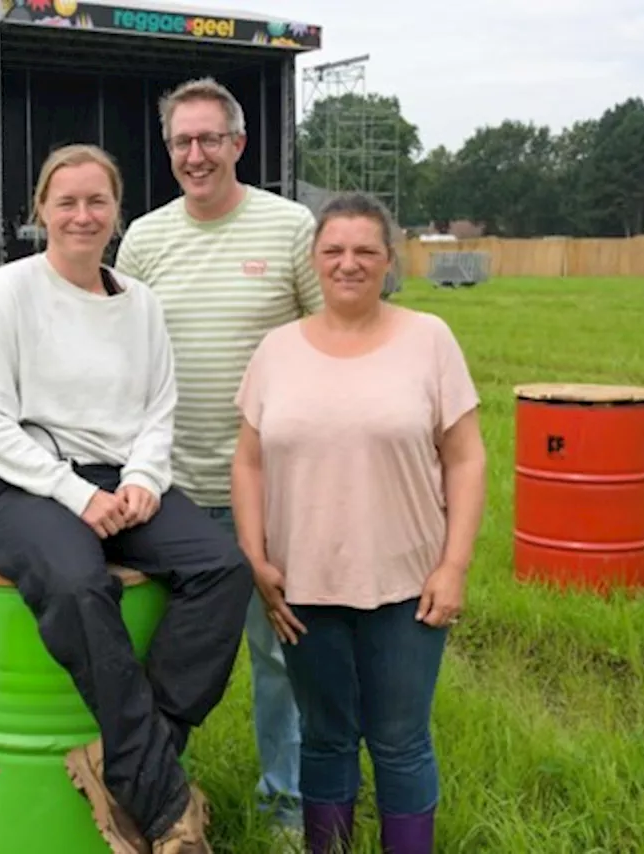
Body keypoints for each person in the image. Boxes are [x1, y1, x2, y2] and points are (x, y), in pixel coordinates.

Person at [0, 143, 253, 854]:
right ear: (41, 211)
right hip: (20, 483)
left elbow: (160, 406)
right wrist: (72, 494)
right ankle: (163, 805)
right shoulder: (8, 290)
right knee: (78, 582)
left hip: (121, 481)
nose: (82, 215)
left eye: (97, 201)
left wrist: (144, 480)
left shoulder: (140, 304)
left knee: (224, 569)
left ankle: (127, 754)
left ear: (116, 211)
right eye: (67, 202)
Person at [230, 192, 487, 854]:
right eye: (334, 250)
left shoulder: (429, 340)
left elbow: (465, 458)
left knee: (401, 740)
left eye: (365, 251)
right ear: (314, 260)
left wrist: (453, 566)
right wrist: (255, 558)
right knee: (326, 736)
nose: (349, 263)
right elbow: (249, 462)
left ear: (388, 261)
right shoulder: (277, 349)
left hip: (407, 584)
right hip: (303, 586)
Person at [113, 76, 320, 842]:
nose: (195, 154)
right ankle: (159, 804)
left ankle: (286, 811)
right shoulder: (144, 239)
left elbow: (325, 344)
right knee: (166, 660)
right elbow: (121, 357)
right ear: (168, 151)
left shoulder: (290, 228)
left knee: (280, 661)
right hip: (167, 495)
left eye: (209, 139)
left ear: (239, 143)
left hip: (271, 497)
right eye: (181, 142)